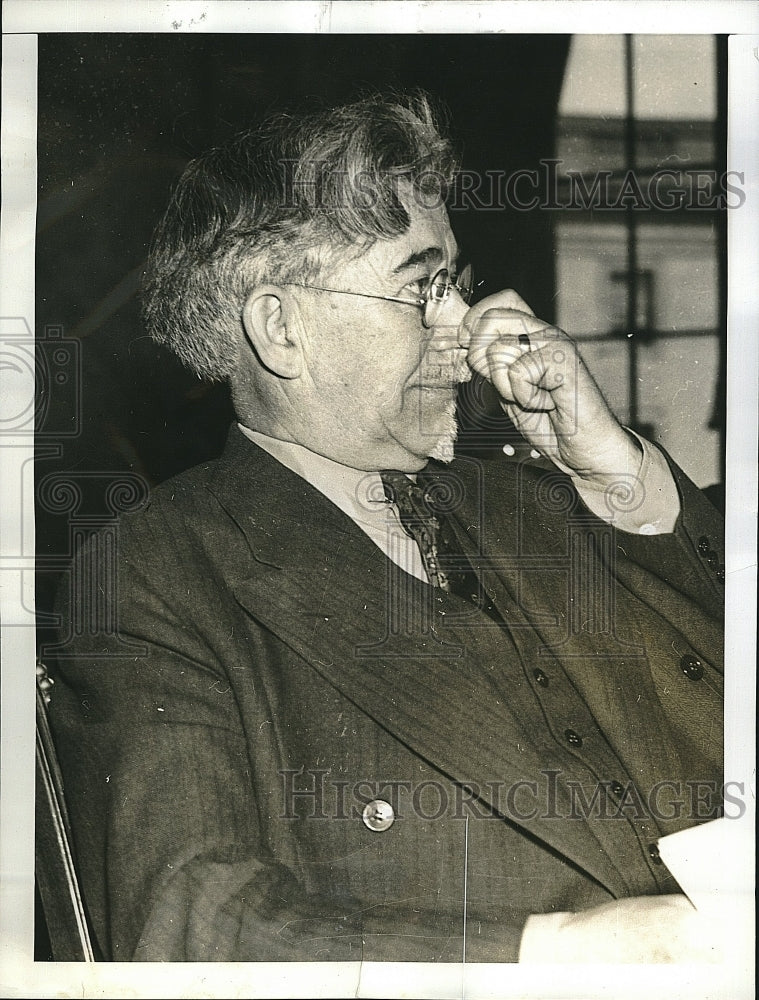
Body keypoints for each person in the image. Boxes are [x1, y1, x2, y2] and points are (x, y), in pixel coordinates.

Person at [48, 93, 724, 963]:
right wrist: (560, 955)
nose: (467, 327)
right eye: (420, 289)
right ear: (281, 329)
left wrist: (615, 473)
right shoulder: (159, 575)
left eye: (456, 285)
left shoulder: (535, 493)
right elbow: (192, 923)